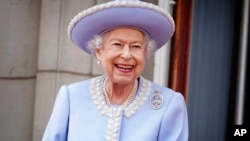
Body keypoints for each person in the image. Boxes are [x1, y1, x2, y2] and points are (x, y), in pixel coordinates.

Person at [42, 0, 189, 141]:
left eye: (136, 46)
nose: (126, 54)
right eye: (117, 44)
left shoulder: (168, 104)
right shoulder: (72, 97)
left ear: (145, 54)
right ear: (99, 51)